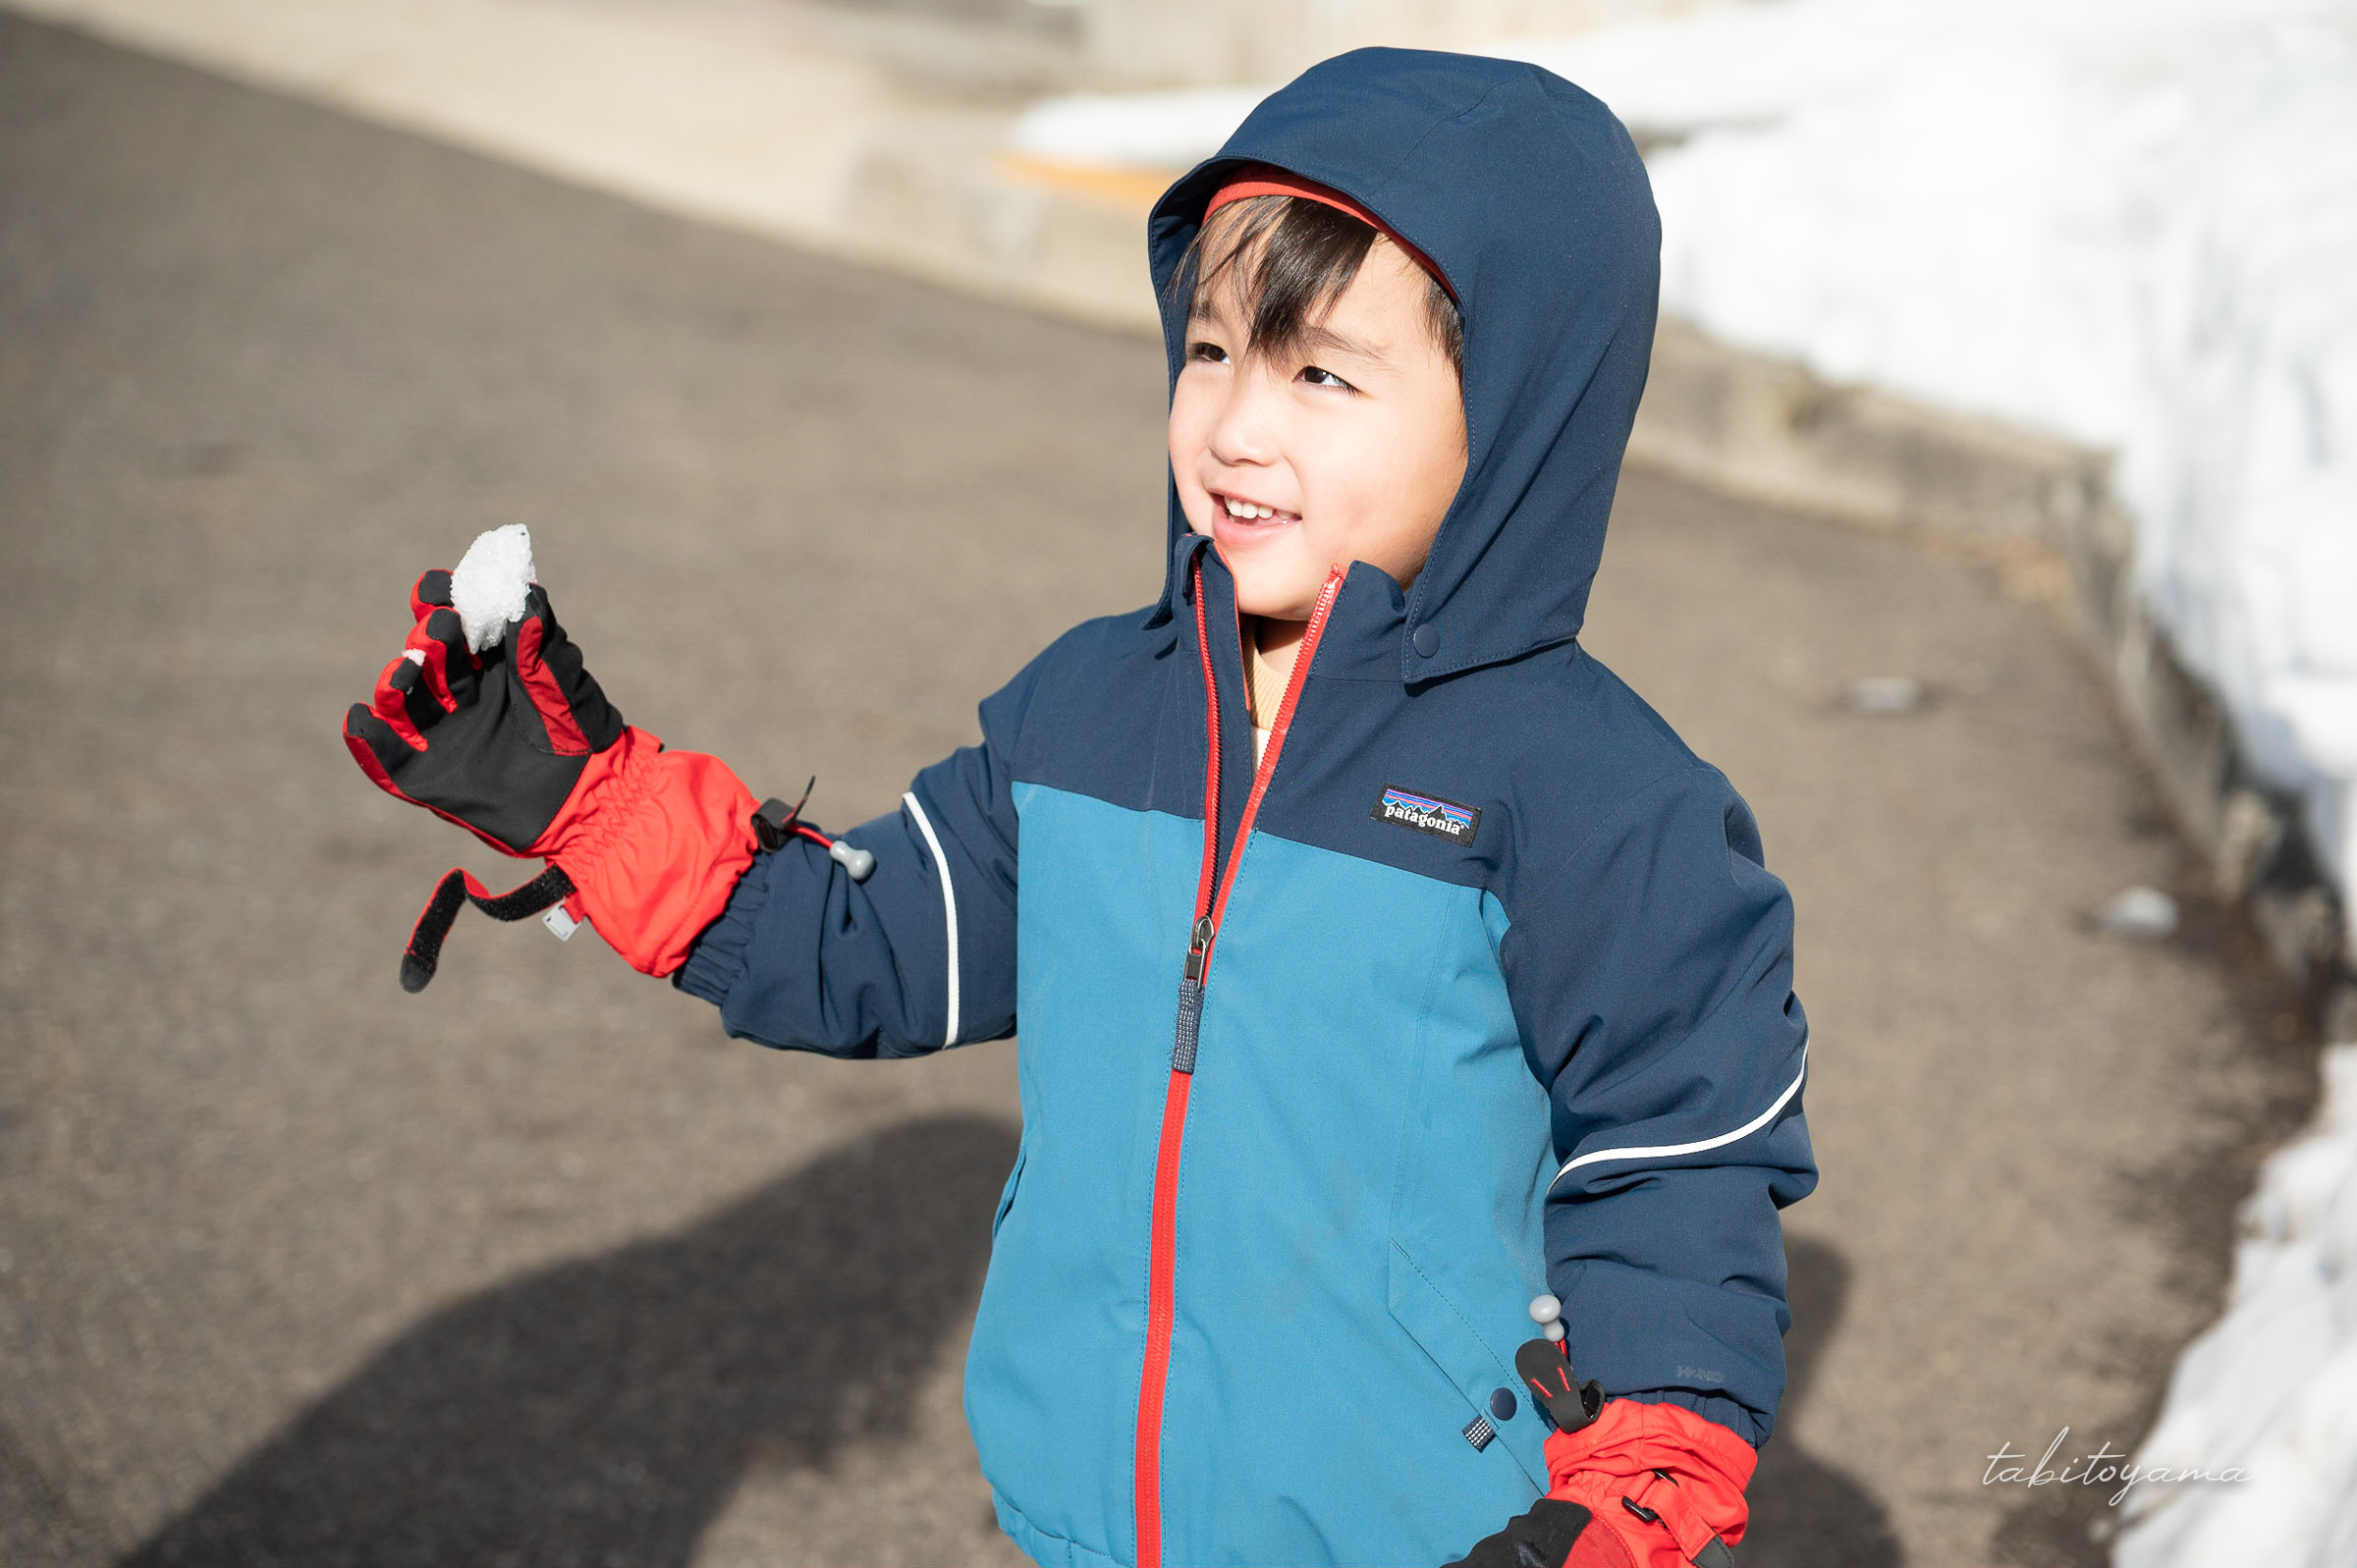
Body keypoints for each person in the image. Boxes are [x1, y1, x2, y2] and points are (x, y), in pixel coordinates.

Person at [344, 47, 1816, 1568]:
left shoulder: (1594, 794)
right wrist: (592, 797)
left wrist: (1646, 1479)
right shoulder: (1094, 715)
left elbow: (1679, 1156)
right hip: (1096, 1520)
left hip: (1435, 1529)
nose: (1239, 426)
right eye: (1212, 352)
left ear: (1510, 414)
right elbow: (866, 940)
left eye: (1320, 372)